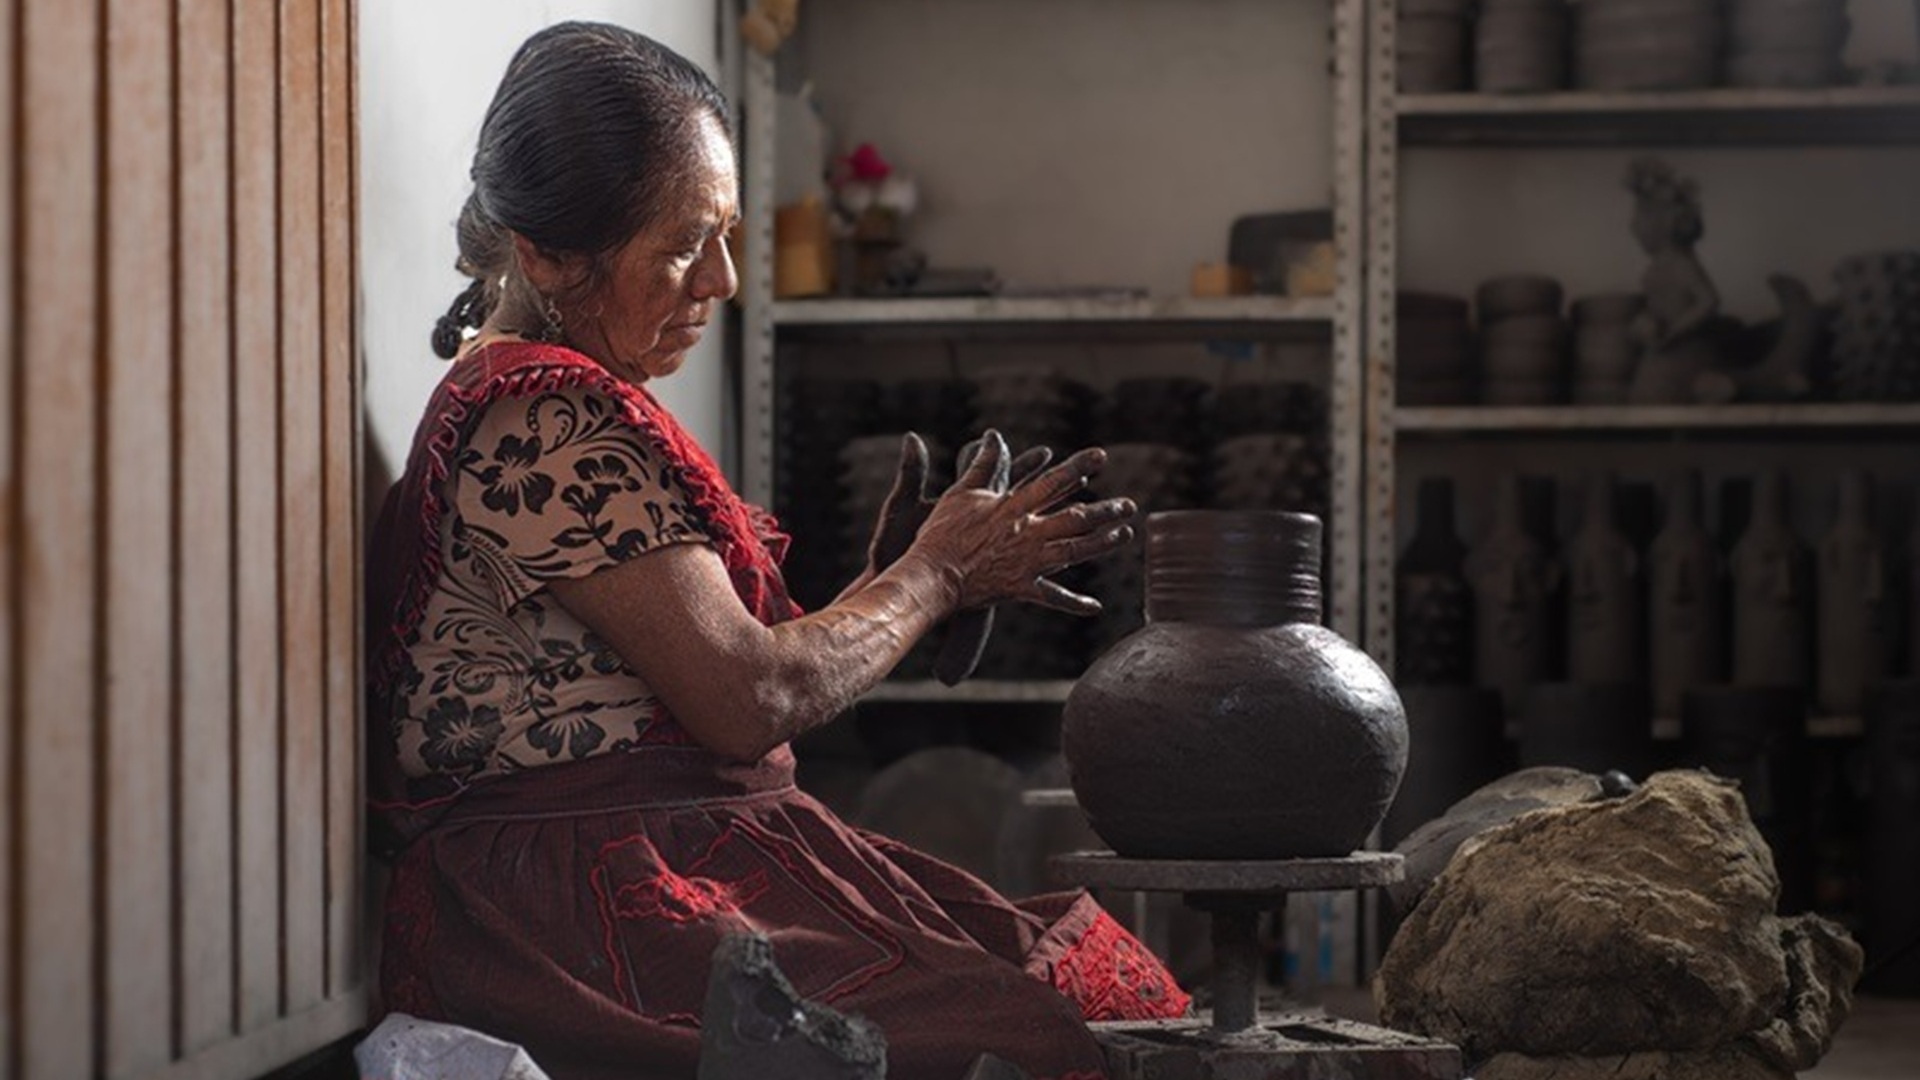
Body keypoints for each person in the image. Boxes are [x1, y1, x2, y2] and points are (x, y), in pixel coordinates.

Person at [366, 22, 1188, 1080]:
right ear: (547, 255)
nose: (721, 281)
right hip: (577, 911)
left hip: (634, 864)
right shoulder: (542, 418)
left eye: (727, 236)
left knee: (1063, 976)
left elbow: (667, 685)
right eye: (680, 246)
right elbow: (745, 700)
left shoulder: (548, 401)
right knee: (1033, 1034)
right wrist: (928, 578)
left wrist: (893, 589)